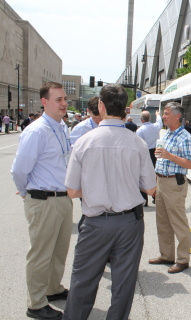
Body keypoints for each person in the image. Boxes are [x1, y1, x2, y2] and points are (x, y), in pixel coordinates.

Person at [63, 84, 156, 319]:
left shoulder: (84, 142)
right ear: (125, 109)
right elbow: (150, 188)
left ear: (101, 106)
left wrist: (95, 188)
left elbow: (72, 191)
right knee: (123, 285)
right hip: (129, 223)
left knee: (83, 282)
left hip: (95, 222)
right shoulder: (138, 143)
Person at [11, 82, 73, 320]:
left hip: (62, 199)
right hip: (44, 200)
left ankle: (52, 289)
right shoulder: (37, 130)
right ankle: (36, 304)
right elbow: (19, 170)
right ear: (44, 102)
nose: (64, 103)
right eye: (58, 99)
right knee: (40, 254)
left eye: (65, 99)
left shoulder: (61, 127)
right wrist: (27, 194)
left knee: (59, 251)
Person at [149, 102, 191, 273]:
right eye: (164, 114)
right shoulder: (167, 134)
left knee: (178, 222)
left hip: (174, 183)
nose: (163, 116)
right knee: (162, 222)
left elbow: (190, 164)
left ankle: (183, 259)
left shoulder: (186, 137)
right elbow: (163, 158)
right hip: (161, 181)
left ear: (177, 116)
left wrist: (169, 156)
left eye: (167, 113)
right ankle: (166, 255)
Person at [136, 110, 163, 206]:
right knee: (155, 175)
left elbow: (138, 144)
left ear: (141, 120)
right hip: (156, 153)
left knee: (143, 175)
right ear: (150, 118)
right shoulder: (156, 126)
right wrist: (158, 115)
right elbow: (160, 122)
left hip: (145, 153)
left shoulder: (140, 130)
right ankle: (156, 197)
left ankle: (144, 200)